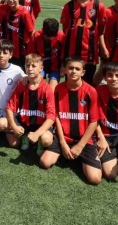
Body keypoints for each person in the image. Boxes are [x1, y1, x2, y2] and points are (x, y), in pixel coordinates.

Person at [39, 57, 102, 185]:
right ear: (65, 70)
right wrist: (62, 142)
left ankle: (77, 156)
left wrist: (80, 146)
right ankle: (66, 152)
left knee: (95, 179)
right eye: (70, 68)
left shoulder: (91, 91)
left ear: (83, 72)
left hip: (84, 140)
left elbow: (94, 121)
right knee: (44, 162)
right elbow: (56, 117)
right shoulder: (58, 89)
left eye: (77, 69)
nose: (73, 71)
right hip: (64, 137)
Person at [60, 0, 109, 84]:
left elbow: (101, 30)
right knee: (71, 82)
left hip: (90, 53)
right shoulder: (68, 6)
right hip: (71, 52)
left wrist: (102, 47)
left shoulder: (99, 6)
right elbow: (65, 29)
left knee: (87, 83)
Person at [5, 54, 55, 162]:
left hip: (40, 124)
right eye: (27, 66)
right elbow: (9, 107)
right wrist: (14, 126)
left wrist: (37, 134)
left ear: (41, 68)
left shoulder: (47, 89)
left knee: (46, 140)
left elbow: (51, 117)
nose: (30, 68)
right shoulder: (21, 85)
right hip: (24, 122)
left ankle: (40, 142)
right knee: (2, 125)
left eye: (33, 66)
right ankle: (25, 136)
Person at [0, 40, 26, 145]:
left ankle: (9, 128)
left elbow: (27, 79)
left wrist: (27, 78)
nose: (1, 55)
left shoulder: (17, 70)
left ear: (11, 55)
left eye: (5, 53)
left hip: (10, 113)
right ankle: (0, 129)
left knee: (14, 144)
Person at [0, 0, 35, 68]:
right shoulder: (5, 8)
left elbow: (31, 31)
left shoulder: (24, 13)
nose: (11, 0)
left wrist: (31, 49)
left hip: (21, 51)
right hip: (8, 49)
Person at [26, 18, 65, 90]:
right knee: (36, 87)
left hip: (55, 67)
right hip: (40, 66)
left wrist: (63, 67)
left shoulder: (61, 36)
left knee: (51, 90)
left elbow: (64, 54)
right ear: (43, 31)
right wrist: (33, 69)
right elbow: (30, 55)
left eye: (53, 36)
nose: (51, 38)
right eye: (48, 36)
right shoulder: (36, 36)